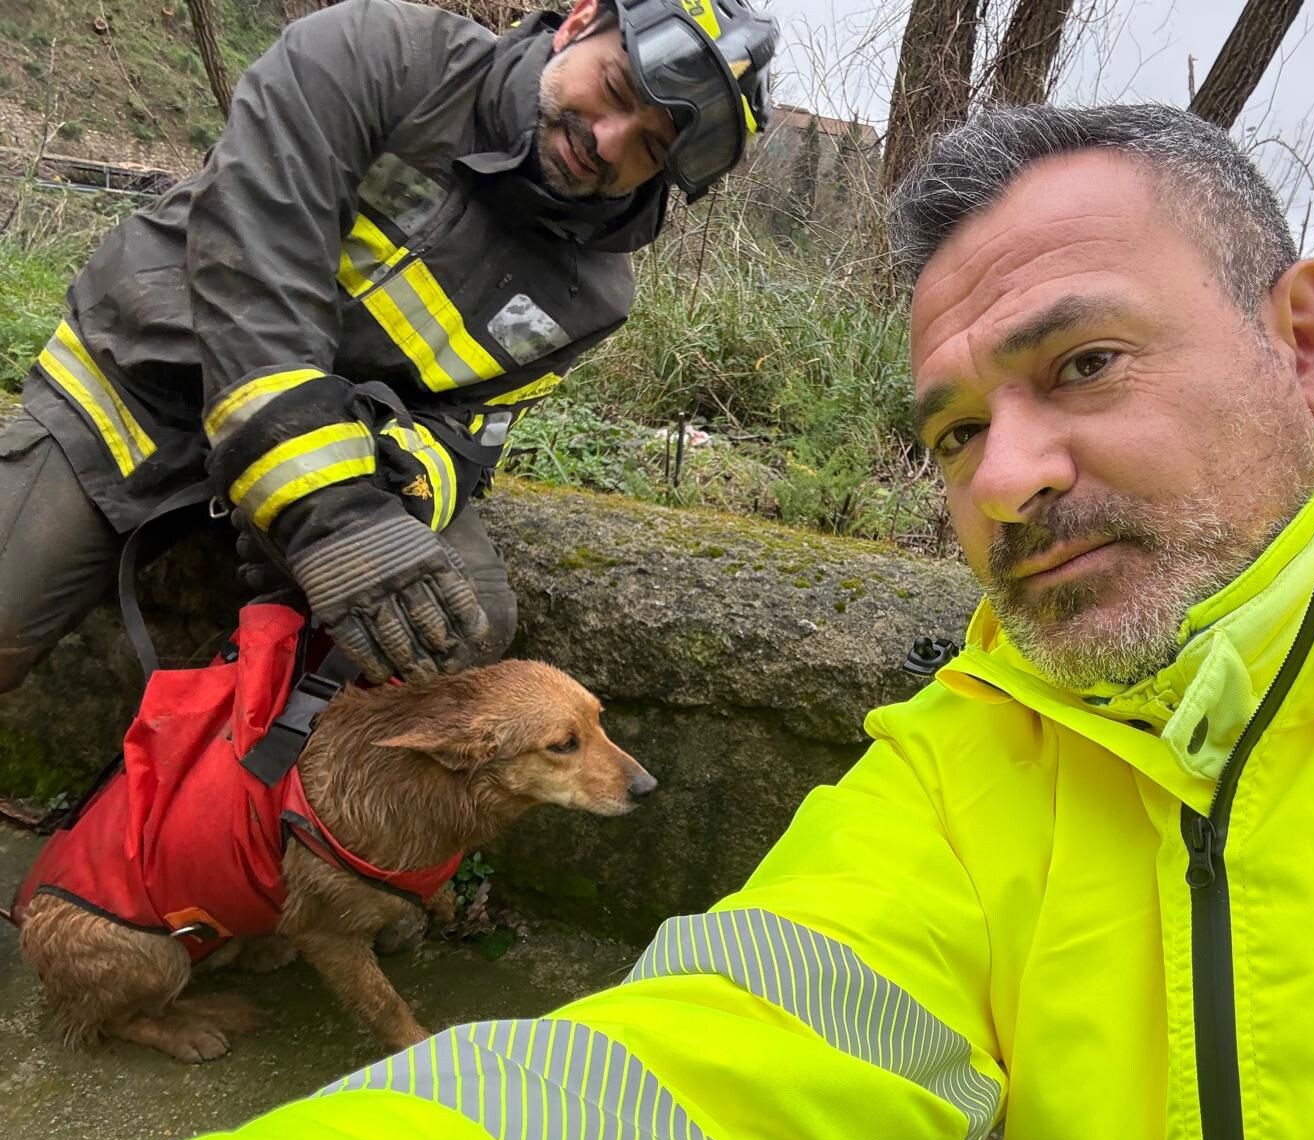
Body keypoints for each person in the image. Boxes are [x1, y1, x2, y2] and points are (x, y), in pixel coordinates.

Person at [52, 103, 1314, 1140]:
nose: (1002, 481)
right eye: (955, 431)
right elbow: (683, 1085)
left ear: (1313, 345)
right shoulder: (962, 763)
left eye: (1088, 362)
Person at [0, 0, 777, 688]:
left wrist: (392, 488)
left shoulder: (596, 296)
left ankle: (260, 822)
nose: (606, 141)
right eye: (613, 92)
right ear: (577, 22)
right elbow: (253, 280)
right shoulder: (376, 54)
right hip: (137, 397)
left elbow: (468, 438)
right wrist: (326, 507)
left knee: (461, 630)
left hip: (336, 454)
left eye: (647, 147)